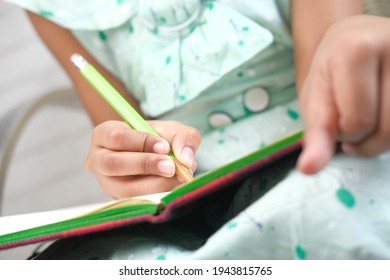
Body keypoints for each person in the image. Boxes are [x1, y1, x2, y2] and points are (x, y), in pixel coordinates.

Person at [6, 0, 390, 259]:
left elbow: (331, 99)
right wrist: (128, 163)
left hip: (310, 157)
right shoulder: (50, 8)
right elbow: (125, 146)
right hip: (191, 204)